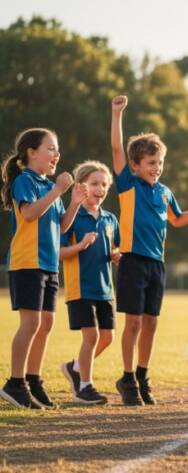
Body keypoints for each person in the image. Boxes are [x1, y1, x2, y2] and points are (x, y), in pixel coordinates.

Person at [111, 95, 188, 406]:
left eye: (159, 163)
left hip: (156, 265)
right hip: (132, 260)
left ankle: (143, 375)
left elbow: (177, 219)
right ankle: (127, 377)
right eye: (150, 163)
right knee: (132, 322)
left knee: (151, 322)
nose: (156, 168)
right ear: (135, 165)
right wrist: (117, 114)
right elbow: (117, 149)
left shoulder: (165, 191)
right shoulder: (128, 185)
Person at [0, 128, 87, 409]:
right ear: (31, 153)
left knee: (46, 324)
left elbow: (61, 226)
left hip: (48, 263)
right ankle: (15, 383)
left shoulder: (50, 188)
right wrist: (59, 189)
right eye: (51, 148)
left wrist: (73, 203)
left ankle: (33, 380)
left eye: (57, 149)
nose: (56, 155)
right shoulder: (26, 180)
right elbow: (29, 213)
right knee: (32, 323)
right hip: (28, 261)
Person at [59, 161, 121, 405]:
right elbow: (59, 252)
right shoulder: (72, 217)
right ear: (81, 186)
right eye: (94, 183)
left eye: (104, 184)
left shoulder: (110, 219)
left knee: (107, 337)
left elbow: (114, 247)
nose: (100, 188)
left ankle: (75, 367)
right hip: (80, 287)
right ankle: (84, 387)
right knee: (92, 336)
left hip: (105, 289)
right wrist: (80, 245)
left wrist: (117, 254)